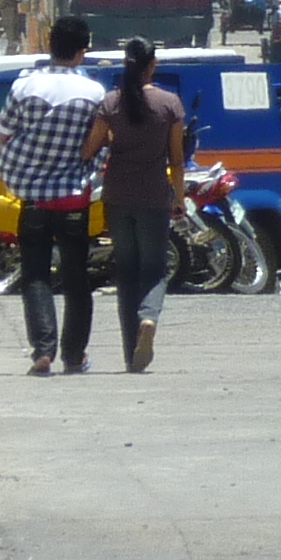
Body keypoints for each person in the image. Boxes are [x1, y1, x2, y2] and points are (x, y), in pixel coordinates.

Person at [0, 16, 111, 374]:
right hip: (75, 199)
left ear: (50, 44)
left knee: (36, 276)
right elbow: (101, 145)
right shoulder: (95, 93)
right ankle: (74, 356)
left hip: (34, 201)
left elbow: (4, 132)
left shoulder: (25, 86)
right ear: (82, 51)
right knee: (77, 280)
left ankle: (43, 351)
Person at [85, 35, 193, 374]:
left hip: (117, 195)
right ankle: (148, 319)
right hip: (153, 196)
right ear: (153, 66)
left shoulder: (112, 102)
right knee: (154, 269)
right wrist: (179, 196)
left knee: (126, 272)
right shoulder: (169, 104)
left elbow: (89, 149)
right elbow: (176, 159)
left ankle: (130, 352)